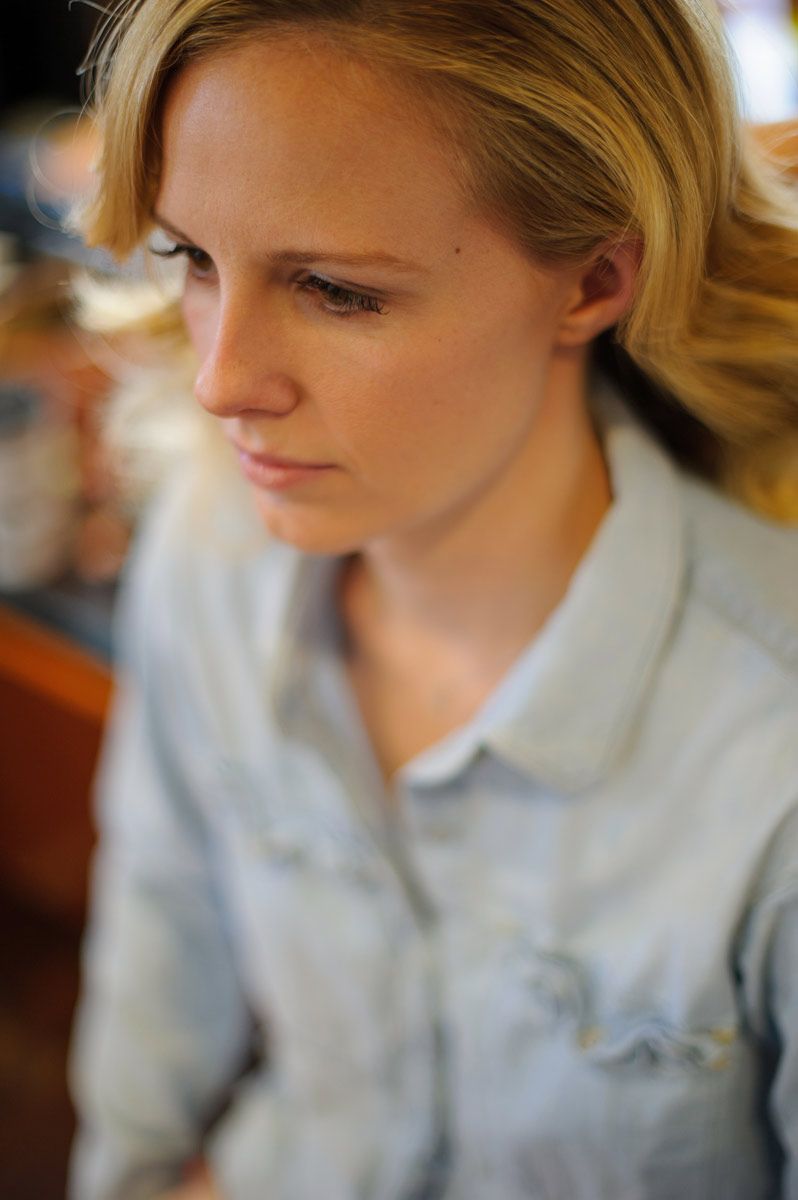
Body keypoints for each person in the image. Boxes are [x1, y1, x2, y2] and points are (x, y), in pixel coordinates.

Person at [68, 2, 798, 1198]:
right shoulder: (207, 550)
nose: (220, 380)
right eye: (192, 257)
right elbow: (157, 965)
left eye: (334, 290)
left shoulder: (772, 757)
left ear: (595, 278)